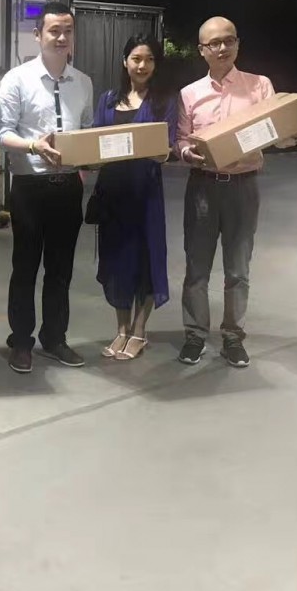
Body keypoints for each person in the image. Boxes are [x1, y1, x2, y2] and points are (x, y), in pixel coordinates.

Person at [176, 16, 297, 368]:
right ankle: (195, 335)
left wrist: (294, 134)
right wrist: (186, 153)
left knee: (238, 269)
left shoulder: (259, 86)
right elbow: (181, 140)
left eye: (229, 40)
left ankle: (233, 337)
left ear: (237, 43)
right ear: (202, 50)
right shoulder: (190, 94)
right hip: (203, 188)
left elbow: (276, 133)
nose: (222, 48)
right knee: (196, 267)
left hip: (243, 186)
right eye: (214, 43)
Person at [0, 0, 94, 374]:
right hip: (29, 187)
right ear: (38, 35)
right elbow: (3, 133)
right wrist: (34, 146)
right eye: (54, 30)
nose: (62, 37)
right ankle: (21, 342)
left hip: (68, 187)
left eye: (68, 31)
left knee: (60, 269)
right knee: (25, 267)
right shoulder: (16, 79)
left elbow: (86, 130)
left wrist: (87, 161)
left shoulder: (82, 82)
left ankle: (54, 338)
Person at [90, 35, 179, 361]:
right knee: (117, 262)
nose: (142, 66)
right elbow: (95, 140)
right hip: (113, 194)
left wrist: (158, 151)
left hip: (145, 194)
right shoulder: (108, 99)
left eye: (150, 59)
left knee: (146, 260)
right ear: (125, 61)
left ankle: (139, 331)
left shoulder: (164, 101)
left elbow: (168, 147)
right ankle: (121, 329)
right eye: (137, 59)